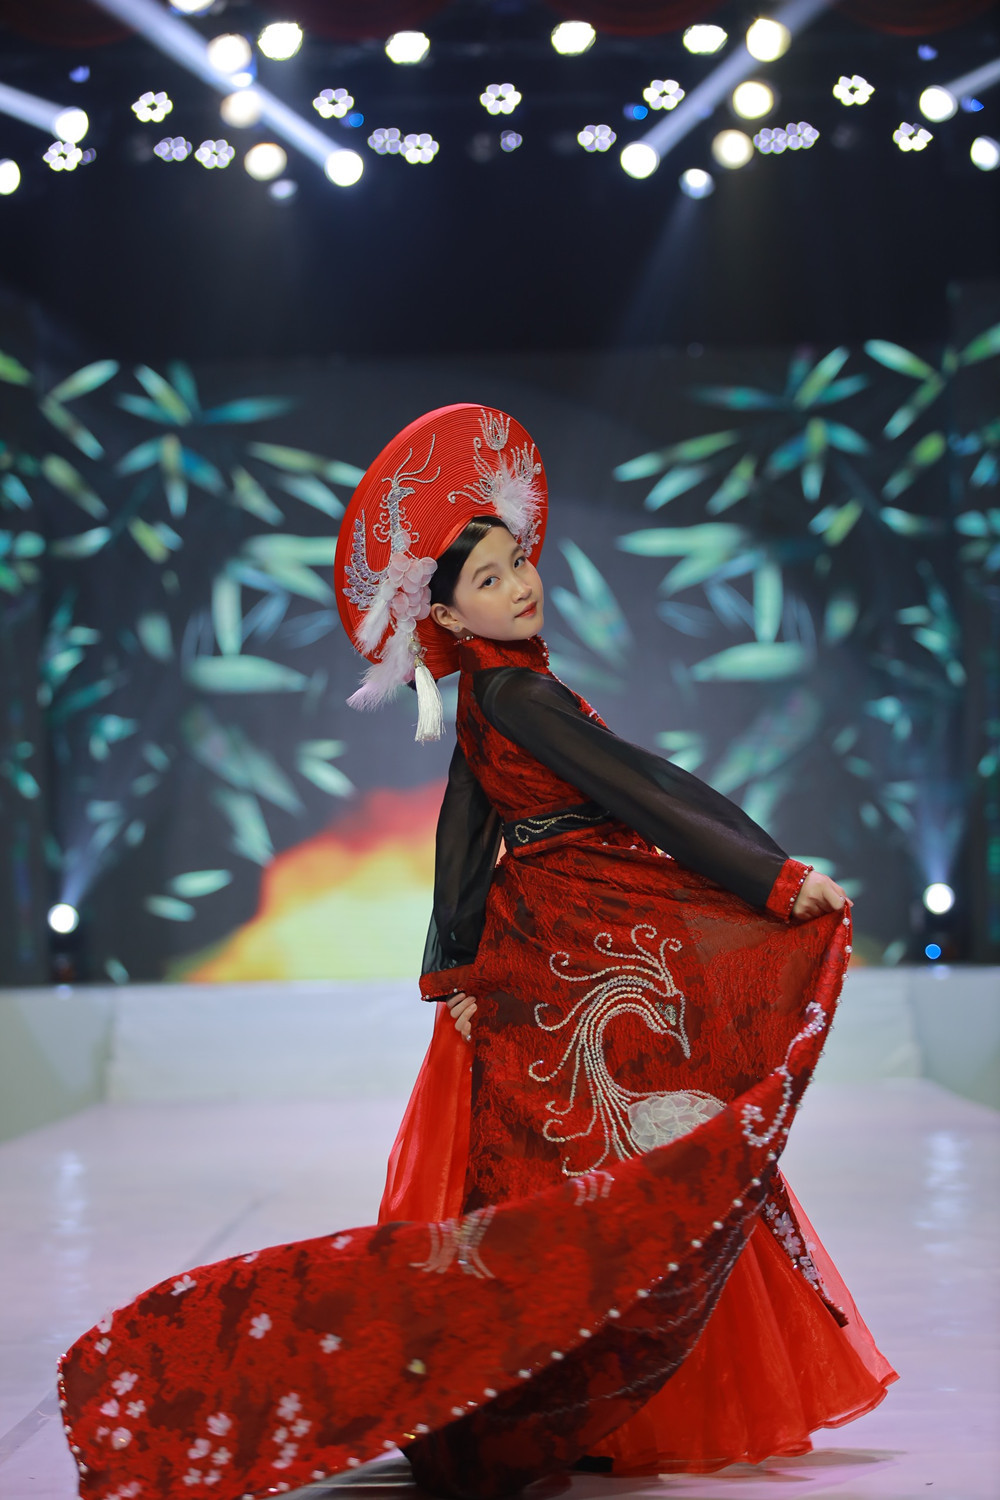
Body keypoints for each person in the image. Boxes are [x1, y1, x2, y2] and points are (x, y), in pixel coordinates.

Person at [58, 405, 894, 1500]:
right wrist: (772, 877)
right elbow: (644, 788)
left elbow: (465, 829)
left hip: (554, 958)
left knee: (568, 1170)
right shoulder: (516, 694)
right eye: (490, 579)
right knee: (616, 1169)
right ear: (448, 612)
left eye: (518, 563)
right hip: (572, 956)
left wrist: (456, 968)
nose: (519, 584)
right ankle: (556, 1394)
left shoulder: (492, 697)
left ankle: (542, 1390)